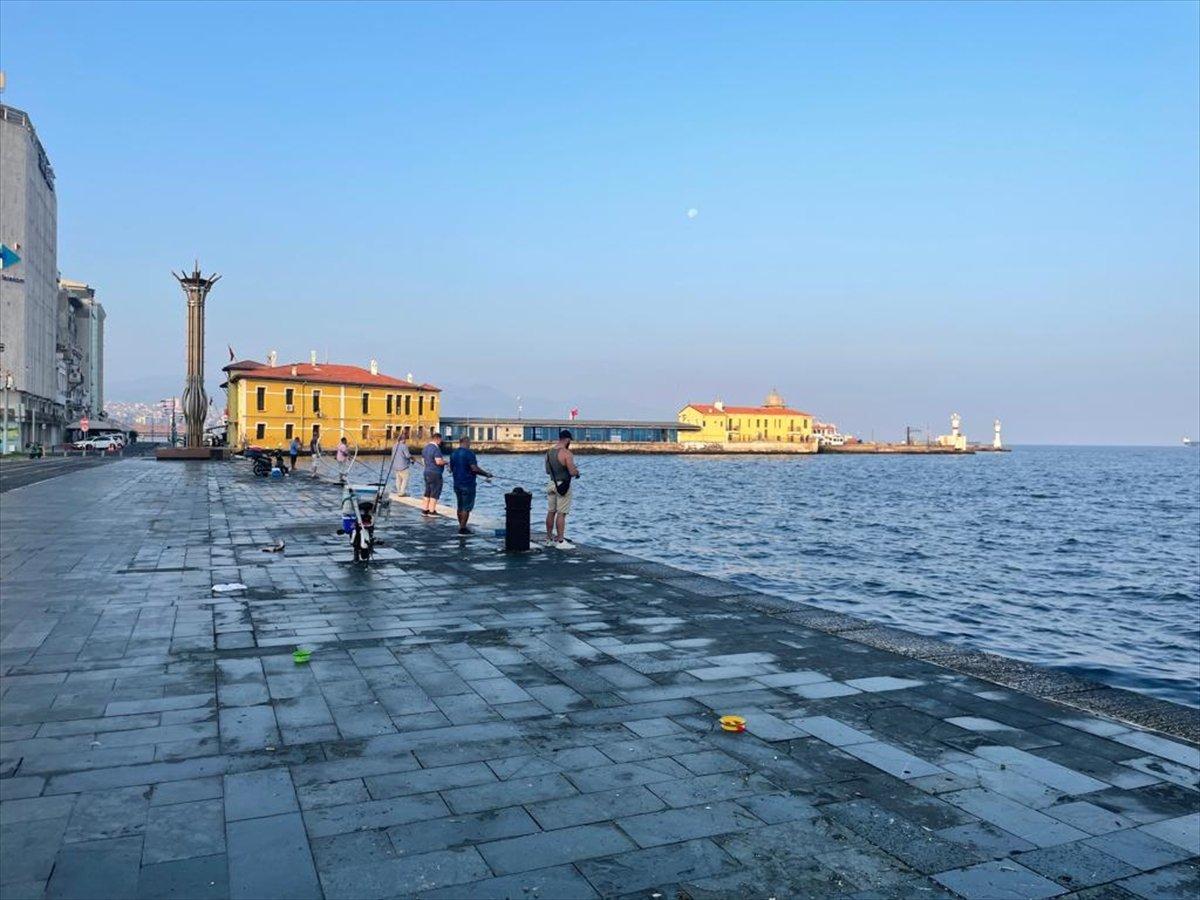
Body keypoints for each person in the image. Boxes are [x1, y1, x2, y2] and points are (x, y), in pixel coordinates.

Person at [545, 429, 580, 549]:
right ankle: (560, 541)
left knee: (551, 511)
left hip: (551, 484)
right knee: (561, 513)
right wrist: (576, 472)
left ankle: (549, 539)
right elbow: (572, 472)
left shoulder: (549, 453)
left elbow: (547, 471)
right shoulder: (567, 453)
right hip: (563, 486)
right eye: (570, 440)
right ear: (567, 439)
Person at [449, 436, 492, 534]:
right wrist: (486, 474)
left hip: (457, 483)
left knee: (460, 506)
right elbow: (474, 468)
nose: (470, 444)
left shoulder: (453, 454)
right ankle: (463, 528)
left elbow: (451, 469)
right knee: (466, 507)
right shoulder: (469, 454)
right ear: (466, 442)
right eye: (469, 442)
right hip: (468, 483)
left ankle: (461, 525)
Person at [421, 431, 447, 516]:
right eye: (440, 440)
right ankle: (432, 511)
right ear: (438, 439)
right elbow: (438, 462)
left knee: (427, 491)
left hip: (426, 472)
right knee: (435, 491)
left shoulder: (425, 448)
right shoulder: (436, 449)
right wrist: (446, 462)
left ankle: (425, 510)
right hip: (435, 472)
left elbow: (423, 461)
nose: (441, 442)